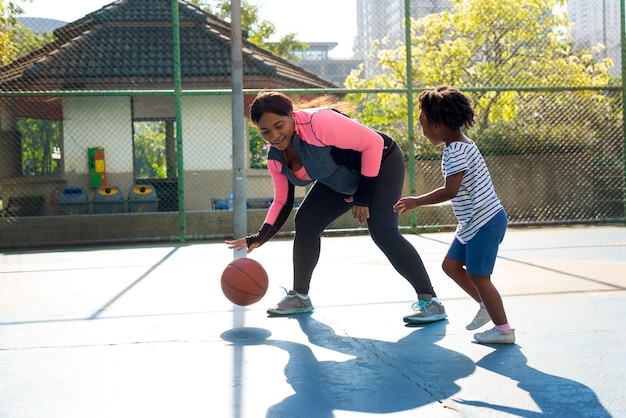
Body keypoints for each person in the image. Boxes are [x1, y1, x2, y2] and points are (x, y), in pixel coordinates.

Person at [225, 91, 446, 324]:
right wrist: (260, 236)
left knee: (382, 231)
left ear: (291, 115)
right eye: (265, 131)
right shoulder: (275, 158)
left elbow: (374, 143)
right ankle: (300, 296)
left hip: (381, 162)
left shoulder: (318, 122)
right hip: (340, 179)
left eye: (279, 125)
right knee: (306, 222)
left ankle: (431, 301)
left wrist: (363, 197)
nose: (275, 135)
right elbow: (282, 201)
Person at [393, 86, 515, 344]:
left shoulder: (455, 151)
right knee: (450, 266)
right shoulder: (461, 143)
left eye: (422, 123)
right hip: (473, 222)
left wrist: (417, 201)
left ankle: (504, 330)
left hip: (485, 221)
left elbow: (451, 190)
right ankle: (485, 306)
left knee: (480, 277)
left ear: (436, 125)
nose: (422, 130)